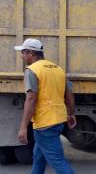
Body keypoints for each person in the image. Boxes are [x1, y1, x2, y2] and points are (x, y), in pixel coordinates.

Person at [14, 38, 76, 174]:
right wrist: (70, 114)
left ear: (31, 53)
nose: (22, 56)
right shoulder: (58, 69)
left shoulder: (32, 70)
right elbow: (69, 94)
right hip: (58, 120)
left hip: (45, 123)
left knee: (58, 162)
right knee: (38, 157)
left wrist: (23, 127)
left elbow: (31, 99)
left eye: (23, 52)